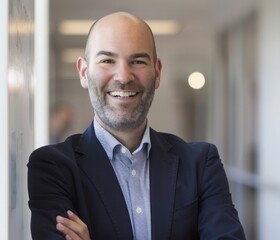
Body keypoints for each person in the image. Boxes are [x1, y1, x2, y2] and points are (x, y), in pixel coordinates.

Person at [27, 11, 246, 240]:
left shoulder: (200, 163)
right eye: (107, 60)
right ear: (84, 72)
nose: (123, 76)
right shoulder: (52, 168)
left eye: (137, 61)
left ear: (157, 72)